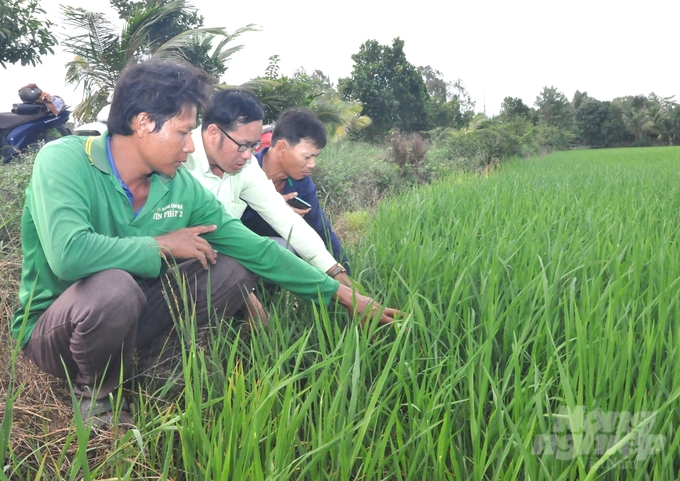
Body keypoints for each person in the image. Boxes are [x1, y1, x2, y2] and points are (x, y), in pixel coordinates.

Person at [11, 58, 400, 430]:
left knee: (233, 268)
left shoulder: (178, 186)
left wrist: (342, 295)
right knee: (114, 285)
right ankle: (99, 395)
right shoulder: (64, 161)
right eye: (183, 132)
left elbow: (255, 247)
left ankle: (144, 359)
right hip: (56, 328)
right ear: (144, 123)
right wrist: (160, 244)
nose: (191, 147)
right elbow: (69, 255)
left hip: (130, 313)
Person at [184, 89, 351, 287]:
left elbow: (286, 219)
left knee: (280, 250)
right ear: (213, 133)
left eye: (253, 146)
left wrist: (335, 271)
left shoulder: (246, 167)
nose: (248, 156)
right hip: (175, 265)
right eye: (243, 145)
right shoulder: (179, 160)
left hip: (226, 259)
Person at [240, 108, 349, 274]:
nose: (312, 164)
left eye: (315, 157)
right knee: (284, 248)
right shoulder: (242, 170)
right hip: (237, 251)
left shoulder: (303, 184)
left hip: (271, 258)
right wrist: (273, 207)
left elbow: (320, 228)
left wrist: (346, 274)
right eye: (307, 157)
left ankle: (270, 298)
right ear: (282, 147)